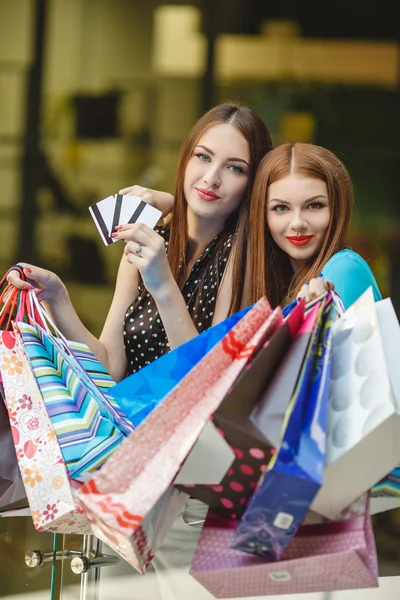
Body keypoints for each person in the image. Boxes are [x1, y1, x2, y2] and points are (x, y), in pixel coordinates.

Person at [6, 102, 273, 381]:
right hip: (128, 419)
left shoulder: (242, 256)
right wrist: (56, 297)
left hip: (182, 423)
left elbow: (208, 383)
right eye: (203, 157)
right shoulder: (151, 240)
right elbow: (109, 366)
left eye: (235, 168)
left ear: (253, 182)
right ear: (185, 158)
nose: (211, 178)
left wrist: (162, 285)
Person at [246, 142, 382, 309]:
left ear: (337, 208)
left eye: (314, 205)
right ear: (263, 215)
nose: (298, 223)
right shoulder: (276, 282)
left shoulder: (345, 268)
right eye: (281, 207)